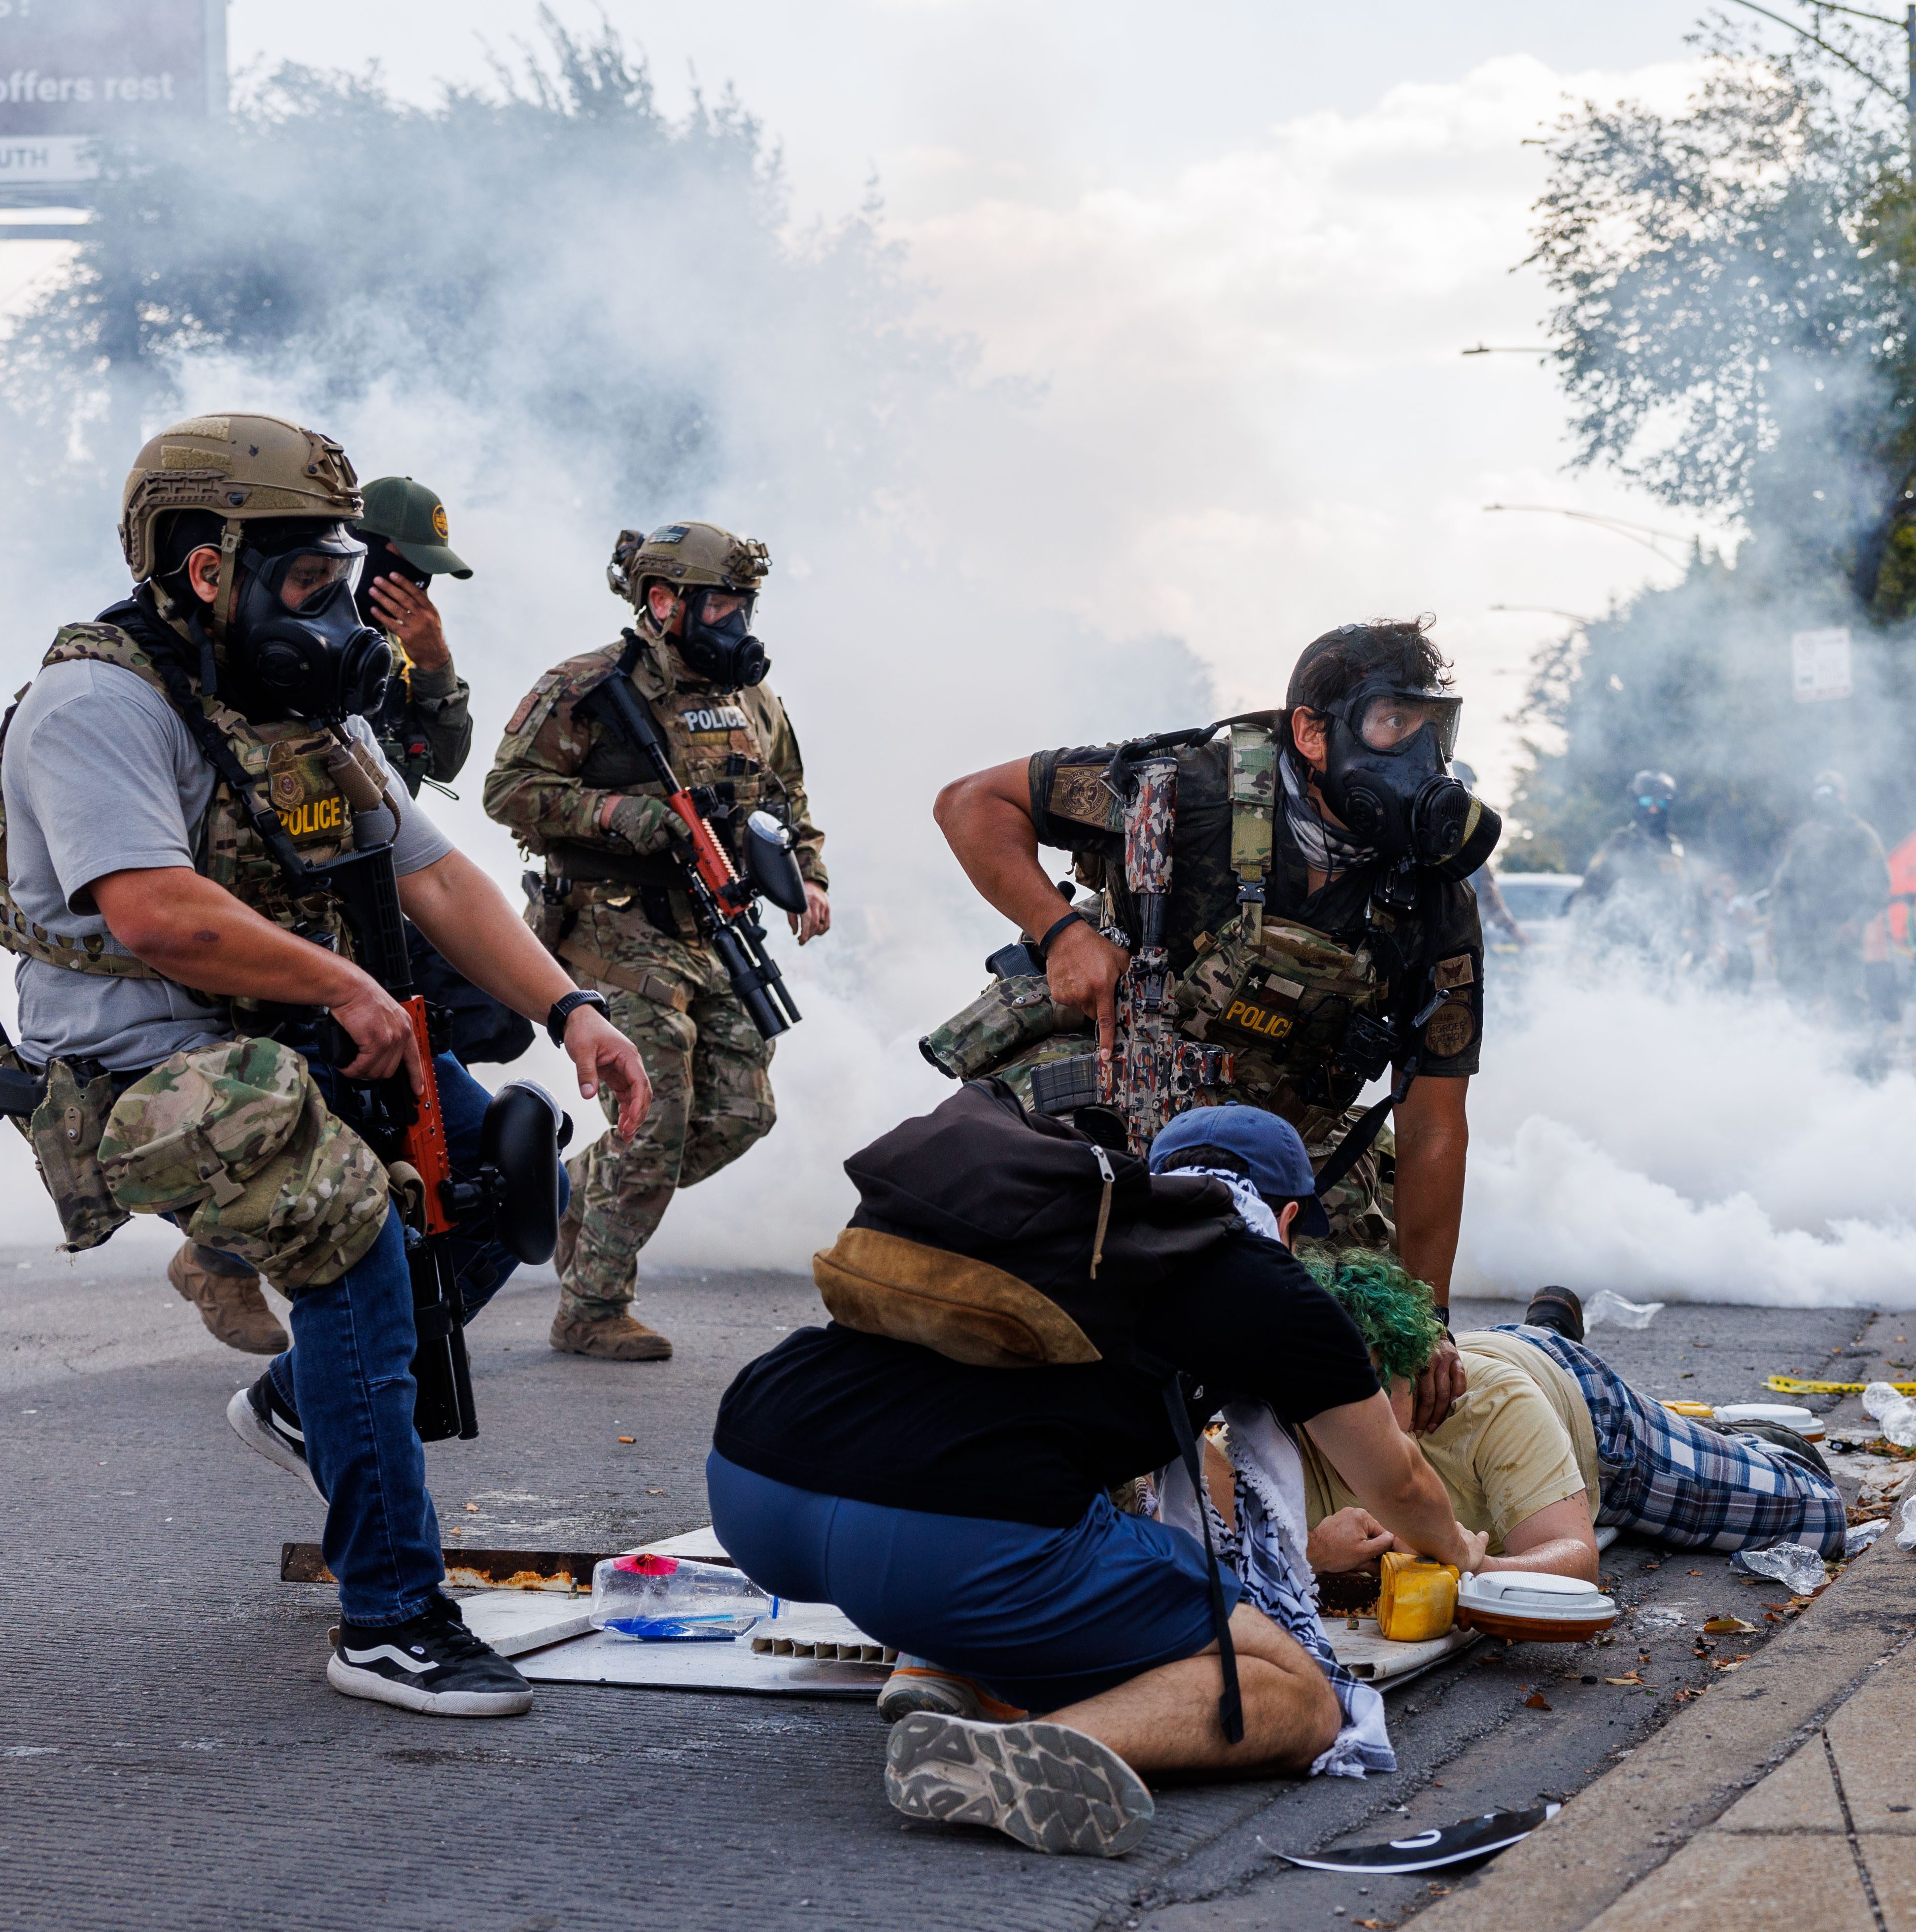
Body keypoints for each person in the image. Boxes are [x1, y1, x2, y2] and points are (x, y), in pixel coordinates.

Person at [0, 412, 651, 1718]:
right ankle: (391, 1617)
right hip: (141, 1065)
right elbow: (155, 911)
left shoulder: (289, 706)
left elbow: (436, 877)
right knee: (355, 1242)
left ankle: (301, 1406)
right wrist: (338, 979)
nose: (331, 607)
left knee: (507, 1174)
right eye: (303, 578)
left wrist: (572, 1014)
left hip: (289, 1039)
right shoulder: (95, 700)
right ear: (205, 566)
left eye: (335, 576)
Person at [710, 1096, 1496, 1858]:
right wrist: (1465, 1555)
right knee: (1297, 1695)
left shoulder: (1070, 1225)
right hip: (938, 1548)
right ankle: (1034, 1750)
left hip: (756, 1481)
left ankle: (958, 1669)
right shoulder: (1269, 1285)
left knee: (1058, 1521)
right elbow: (1398, 1486)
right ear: (1287, 1217)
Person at [930, 619, 1496, 1429]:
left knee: (1355, 1340)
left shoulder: (1433, 900)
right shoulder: (1185, 791)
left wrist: (1427, 1325)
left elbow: (1436, 1127)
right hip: (1121, 1087)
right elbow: (970, 804)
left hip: (1284, 1135)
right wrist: (1061, 933)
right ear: (1310, 730)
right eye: (1391, 724)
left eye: (1430, 729)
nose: (1416, 754)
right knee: (1029, 1276)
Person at [485, 520, 831, 1362]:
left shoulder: (752, 699)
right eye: (719, 604)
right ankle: (591, 1307)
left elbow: (784, 798)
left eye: (743, 605)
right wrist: (625, 817)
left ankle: (575, 1197)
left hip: (715, 927)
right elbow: (509, 792)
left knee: (743, 1112)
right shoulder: (586, 687)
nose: (734, 622)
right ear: (662, 602)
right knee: (656, 1116)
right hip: (614, 928)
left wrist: (809, 875)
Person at [1293, 1264, 1844, 1584]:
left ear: (1417, 1374)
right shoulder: (1278, 1422)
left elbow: (1575, 1557)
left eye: (1368, 1390)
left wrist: (1474, 1562)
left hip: (1582, 1408)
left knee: (1819, 1518)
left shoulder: (1488, 1405)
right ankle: (1549, 1324)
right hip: (1516, 1366)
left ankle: (1756, 1442)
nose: (1349, 1417)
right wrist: (1306, 1558)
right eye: (1329, 1396)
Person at [354, 475, 477, 798]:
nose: (417, 583)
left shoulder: (405, 649)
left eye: (426, 572)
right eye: (407, 563)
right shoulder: (294, 616)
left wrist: (436, 665)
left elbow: (446, 764)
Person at [1769, 772, 1890, 1026]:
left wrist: (1856, 922)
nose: (1824, 799)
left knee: (1848, 999)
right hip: (1803, 933)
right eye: (1819, 793)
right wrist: (1775, 925)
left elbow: (1880, 886)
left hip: (1841, 930)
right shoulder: (1803, 836)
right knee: (1798, 995)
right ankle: (1805, 1058)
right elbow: (1784, 886)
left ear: (1843, 797)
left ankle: (1857, 1060)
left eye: (1830, 793)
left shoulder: (1861, 835)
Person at [1571, 770, 1706, 965]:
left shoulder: (1676, 848)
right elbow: (1589, 894)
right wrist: (1580, 943)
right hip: (1622, 943)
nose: (1653, 810)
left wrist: (1705, 938)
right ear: (1636, 802)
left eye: (1661, 803)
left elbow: (1695, 895)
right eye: (1647, 802)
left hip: (1668, 943)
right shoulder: (1620, 844)